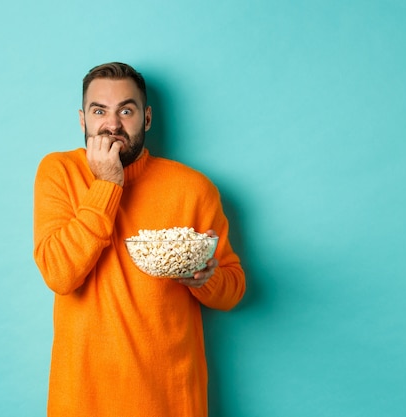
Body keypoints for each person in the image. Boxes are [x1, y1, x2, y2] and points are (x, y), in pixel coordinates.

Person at [33, 62, 246, 417]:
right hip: (83, 400)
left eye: (126, 111)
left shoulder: (193, 189)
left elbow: (233, 289)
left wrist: (206, 280)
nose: (112, 124)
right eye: (99, 111)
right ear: (83, 119)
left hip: (171, 399)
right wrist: (107, 184)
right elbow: (59, 274)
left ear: (146, 118)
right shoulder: (59, 173)